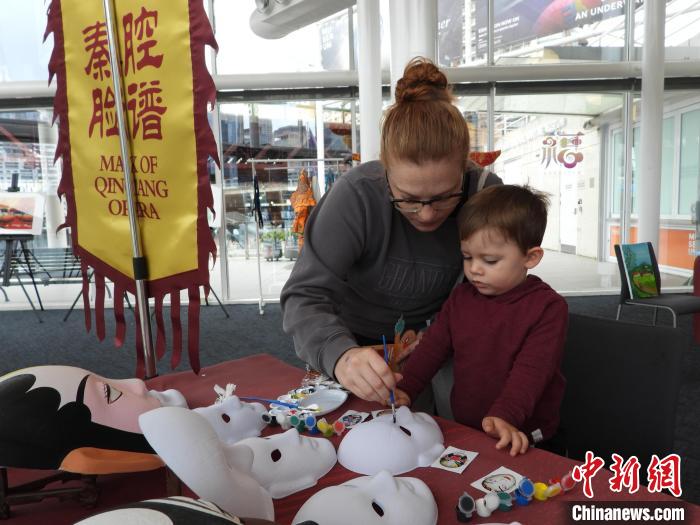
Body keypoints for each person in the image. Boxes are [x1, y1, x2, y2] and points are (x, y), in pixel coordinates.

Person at [280, 57, 501, 404]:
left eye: (445, 197)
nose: (427, 214)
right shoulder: (356, 195)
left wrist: (443, 333)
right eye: (408, 199)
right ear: (385, 173)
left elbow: (502, 290)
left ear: (465, 168)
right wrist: (341, 356)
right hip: (350, 339)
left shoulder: (484, 195)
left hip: (442, 341)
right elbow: (304, 296)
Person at [394, 185, 568, 456]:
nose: (474, 269)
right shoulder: (461, 297)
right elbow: (433, 348)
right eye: (467, 257)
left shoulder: (547, 308)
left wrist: (506, 415)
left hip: (522, 432)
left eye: (489, 260)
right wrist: (406, 387)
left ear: (530, 257)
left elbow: (532, 372)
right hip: (468, 426)